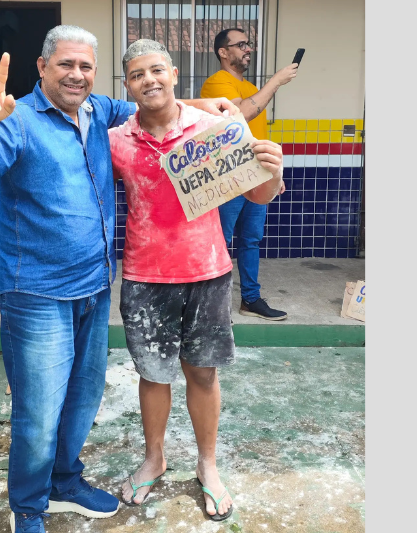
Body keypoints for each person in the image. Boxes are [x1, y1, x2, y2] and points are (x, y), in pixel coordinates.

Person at [0, 25, 237, 533]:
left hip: (93, 286)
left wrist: (204, 105)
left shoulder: (99, 112)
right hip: (36, 292)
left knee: (82, 398)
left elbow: (155, 97)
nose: (76, 74)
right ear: (42, 68)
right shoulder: (15, 120)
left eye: (85, 66)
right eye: (64, 64)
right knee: (38, 411)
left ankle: (64, 480)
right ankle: (30, 510)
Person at [108, 39, 284, 521]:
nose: (149, 80)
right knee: (153, 374)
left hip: (206, 270)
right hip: (145, 275)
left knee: (203, 373)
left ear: (174, 73)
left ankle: (207, 465)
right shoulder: (117, 141)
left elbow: (260, 195)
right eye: (138, 74)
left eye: (156, 70)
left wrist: (272, 168)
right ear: (128, 85)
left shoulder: (214, 129)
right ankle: (154, 457)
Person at [200, 28, 298, 321]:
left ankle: (250, 300)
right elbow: (242, 113)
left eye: (248, 44)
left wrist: (272, 177)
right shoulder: (216, 83)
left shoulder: (251, 86)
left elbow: (259, 134)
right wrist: (276, 82)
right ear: (223, 52)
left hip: (257, 178)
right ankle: (212, 305)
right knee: (220, 241)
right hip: (229, 179)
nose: (248, 49)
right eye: (240, 44)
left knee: (251, 241)